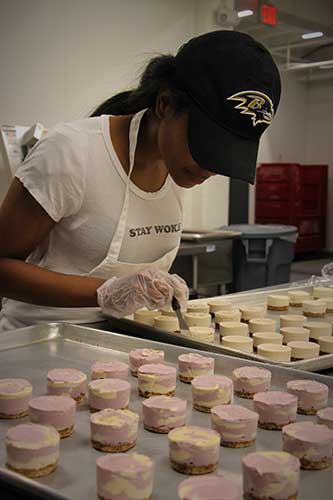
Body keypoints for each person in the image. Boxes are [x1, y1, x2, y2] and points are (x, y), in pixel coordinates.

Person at [0, 30, 281, 331]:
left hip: (129, 349)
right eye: (206, 147)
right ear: (165, 104)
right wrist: (104, 292)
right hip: (43, 343)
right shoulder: (70, 153)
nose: (210, 169)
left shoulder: (176, 166)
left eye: (225, 156)